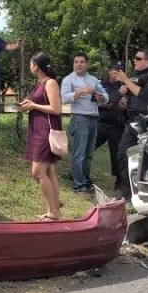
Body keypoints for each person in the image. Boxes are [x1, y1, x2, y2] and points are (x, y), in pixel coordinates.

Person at [112, 47, 148, 200]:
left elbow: (143, 94)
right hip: (132, 122)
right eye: (134, 58)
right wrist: (124, 96)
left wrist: (126, 81)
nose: (134, 61)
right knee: (123, 155)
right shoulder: (136, 76)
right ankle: (126, 195)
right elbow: (131, 96)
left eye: (138, 58)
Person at [19, 52, 63, 221]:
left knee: (37, 171)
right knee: (49, 171)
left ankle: (54, 213)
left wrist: (33, 105)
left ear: (35, 66)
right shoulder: (40, 83)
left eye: (31, 64)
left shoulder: (50, 83)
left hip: (46, 131)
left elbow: (56, 109)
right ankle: (54, 211)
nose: (30, 67)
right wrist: (29, 105)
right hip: (37, 129)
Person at [60, 53, 108, 194]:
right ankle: (79, 185)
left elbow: (106, 96)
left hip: (94, 118)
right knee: (79, 154)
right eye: (76, 62)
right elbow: (64, 98)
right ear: (73, 64)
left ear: (86, 64)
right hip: (80, 119)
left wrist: (101, 97)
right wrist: (80, 91)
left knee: (89, 154)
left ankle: (86, 181)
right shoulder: (69, 80)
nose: (79, 64)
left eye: (82, 62)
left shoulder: (93, 80)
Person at [94, 59, 127, 192]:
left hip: (116, 124)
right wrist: (115, 97)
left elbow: (125, 104)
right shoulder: (100, 84)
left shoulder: (126, 85)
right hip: (101, 122)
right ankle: (79, 173)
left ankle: (119, 180)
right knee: (88, 147)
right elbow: (99, 99)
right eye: (114, 71)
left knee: (117, 154)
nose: (116, 74)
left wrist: (112, 101)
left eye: (119, 72)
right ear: (109, 71)